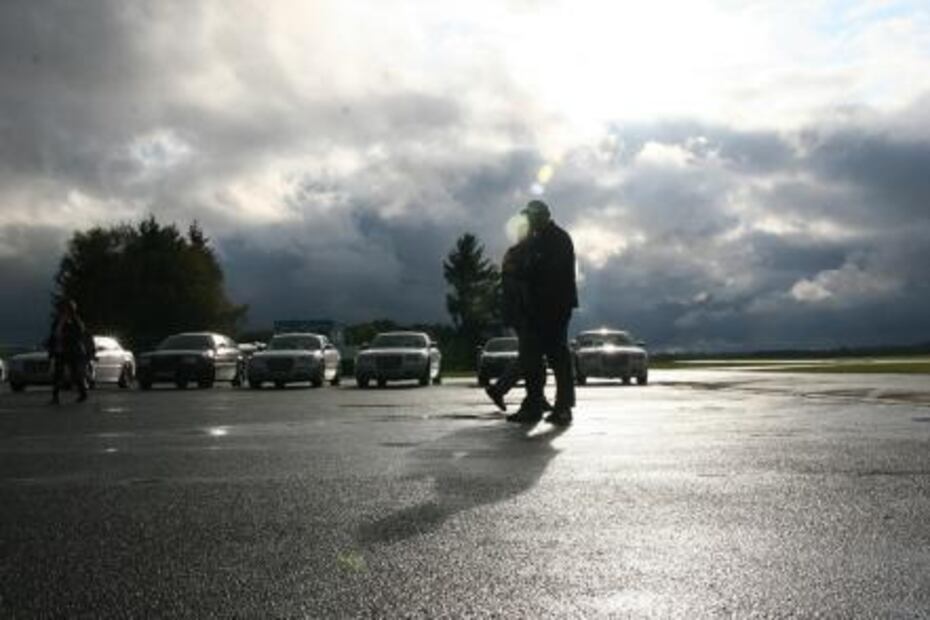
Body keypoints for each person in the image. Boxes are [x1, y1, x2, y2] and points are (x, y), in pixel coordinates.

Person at [507, 200, 577, 426]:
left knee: (558, 357)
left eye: (532, 216)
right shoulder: (537, 239)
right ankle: (534, 406)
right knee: (532, 359)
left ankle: (564, 407)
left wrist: (526, 270)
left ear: (543, 216)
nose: (529, 221)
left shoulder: (558, 239)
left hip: (555, 307)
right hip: (536, 309)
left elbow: (549, 273)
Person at [484, 230, 550, 414]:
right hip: (523, 313)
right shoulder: (518, 254)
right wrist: (528, 308)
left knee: (536, 357)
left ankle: (538, 396)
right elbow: (515, 286)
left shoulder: (521, 253)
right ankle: (500, 389)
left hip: (524, 312)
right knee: (529, 356)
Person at [46, 298, 92, 405]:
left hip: (72, 351)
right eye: (61, 309)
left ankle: (83, 394)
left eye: (64, 309)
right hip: (60, 351)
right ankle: (55, 397)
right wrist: (51, 346)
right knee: (58, 374)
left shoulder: (76, 321)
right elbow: (53, 335)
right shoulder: (58, 321)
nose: (62, 311)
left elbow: (79, 334)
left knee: (75, 373)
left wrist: (65, 336)